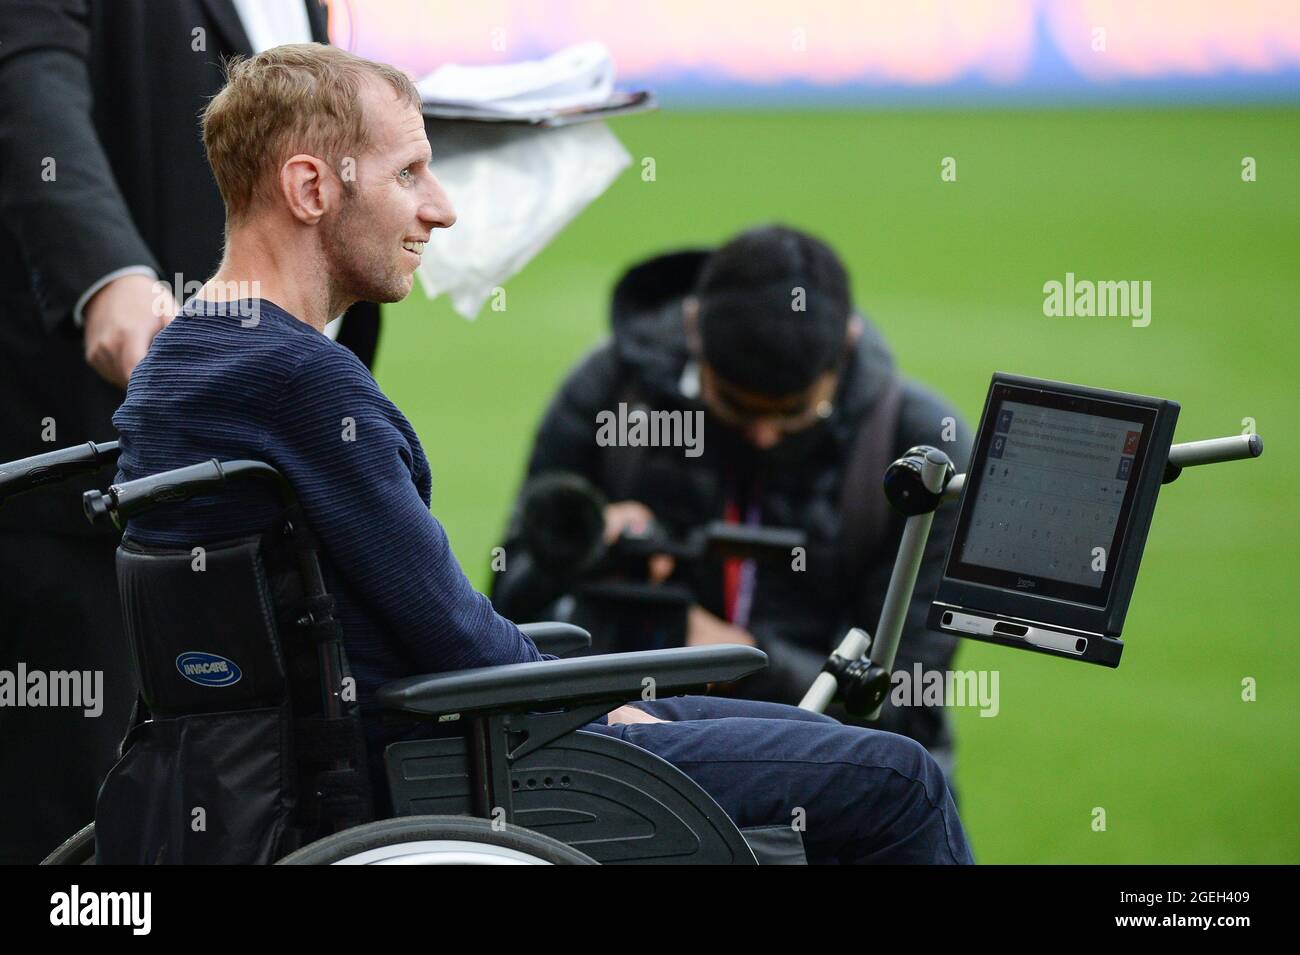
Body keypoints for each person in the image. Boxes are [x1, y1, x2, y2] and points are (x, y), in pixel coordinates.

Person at [112, 43, 973, 864]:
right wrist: (598, 704)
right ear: (309, 187)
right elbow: (455, 632)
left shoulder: (173, 369)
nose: (440, 206)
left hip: (349, 757)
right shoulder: (301, 382)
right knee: (902, 778)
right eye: (409, 172)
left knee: (824, 742)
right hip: (452, 769)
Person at [0, 0, 378, 864]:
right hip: (95, 489)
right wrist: (107, 275)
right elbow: (27, 76)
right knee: (80, 835)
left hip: (258, 484)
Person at [491, 227, 972, 773]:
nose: (764, 435)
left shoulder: (919, 457)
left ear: (848, 344)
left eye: (794, 414)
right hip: (635, 768)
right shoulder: (612, 397)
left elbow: (904, 711)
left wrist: (739, 661)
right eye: (737, 409)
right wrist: (581, 550)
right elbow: (505, 614)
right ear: (694, 329)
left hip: (832, 777)